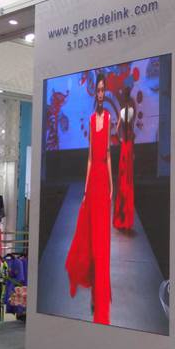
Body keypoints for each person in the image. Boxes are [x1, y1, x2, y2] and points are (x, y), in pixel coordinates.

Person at [65, 72, 113, 324]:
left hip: (104, 178)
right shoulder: (92, 119)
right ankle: (94, 285)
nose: (101, 93)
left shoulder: (109, 118)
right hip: (93, 179)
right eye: (98, 90)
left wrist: (112, 184)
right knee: (90, 233)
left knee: (102, 238)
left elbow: (107, 154)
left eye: (104, 90)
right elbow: (91, 157)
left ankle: (101, 289)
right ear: (95, 93)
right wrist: (85, 189)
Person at [113, 85, 135, 231]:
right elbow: (130, 127)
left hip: (125, 144)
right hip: (128, 144)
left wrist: (121, 138)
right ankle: (125, 216)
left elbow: (117, 129)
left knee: (123, 176)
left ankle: (122, 215)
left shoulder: (123, 110)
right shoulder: (130, 109)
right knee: (126, 176)